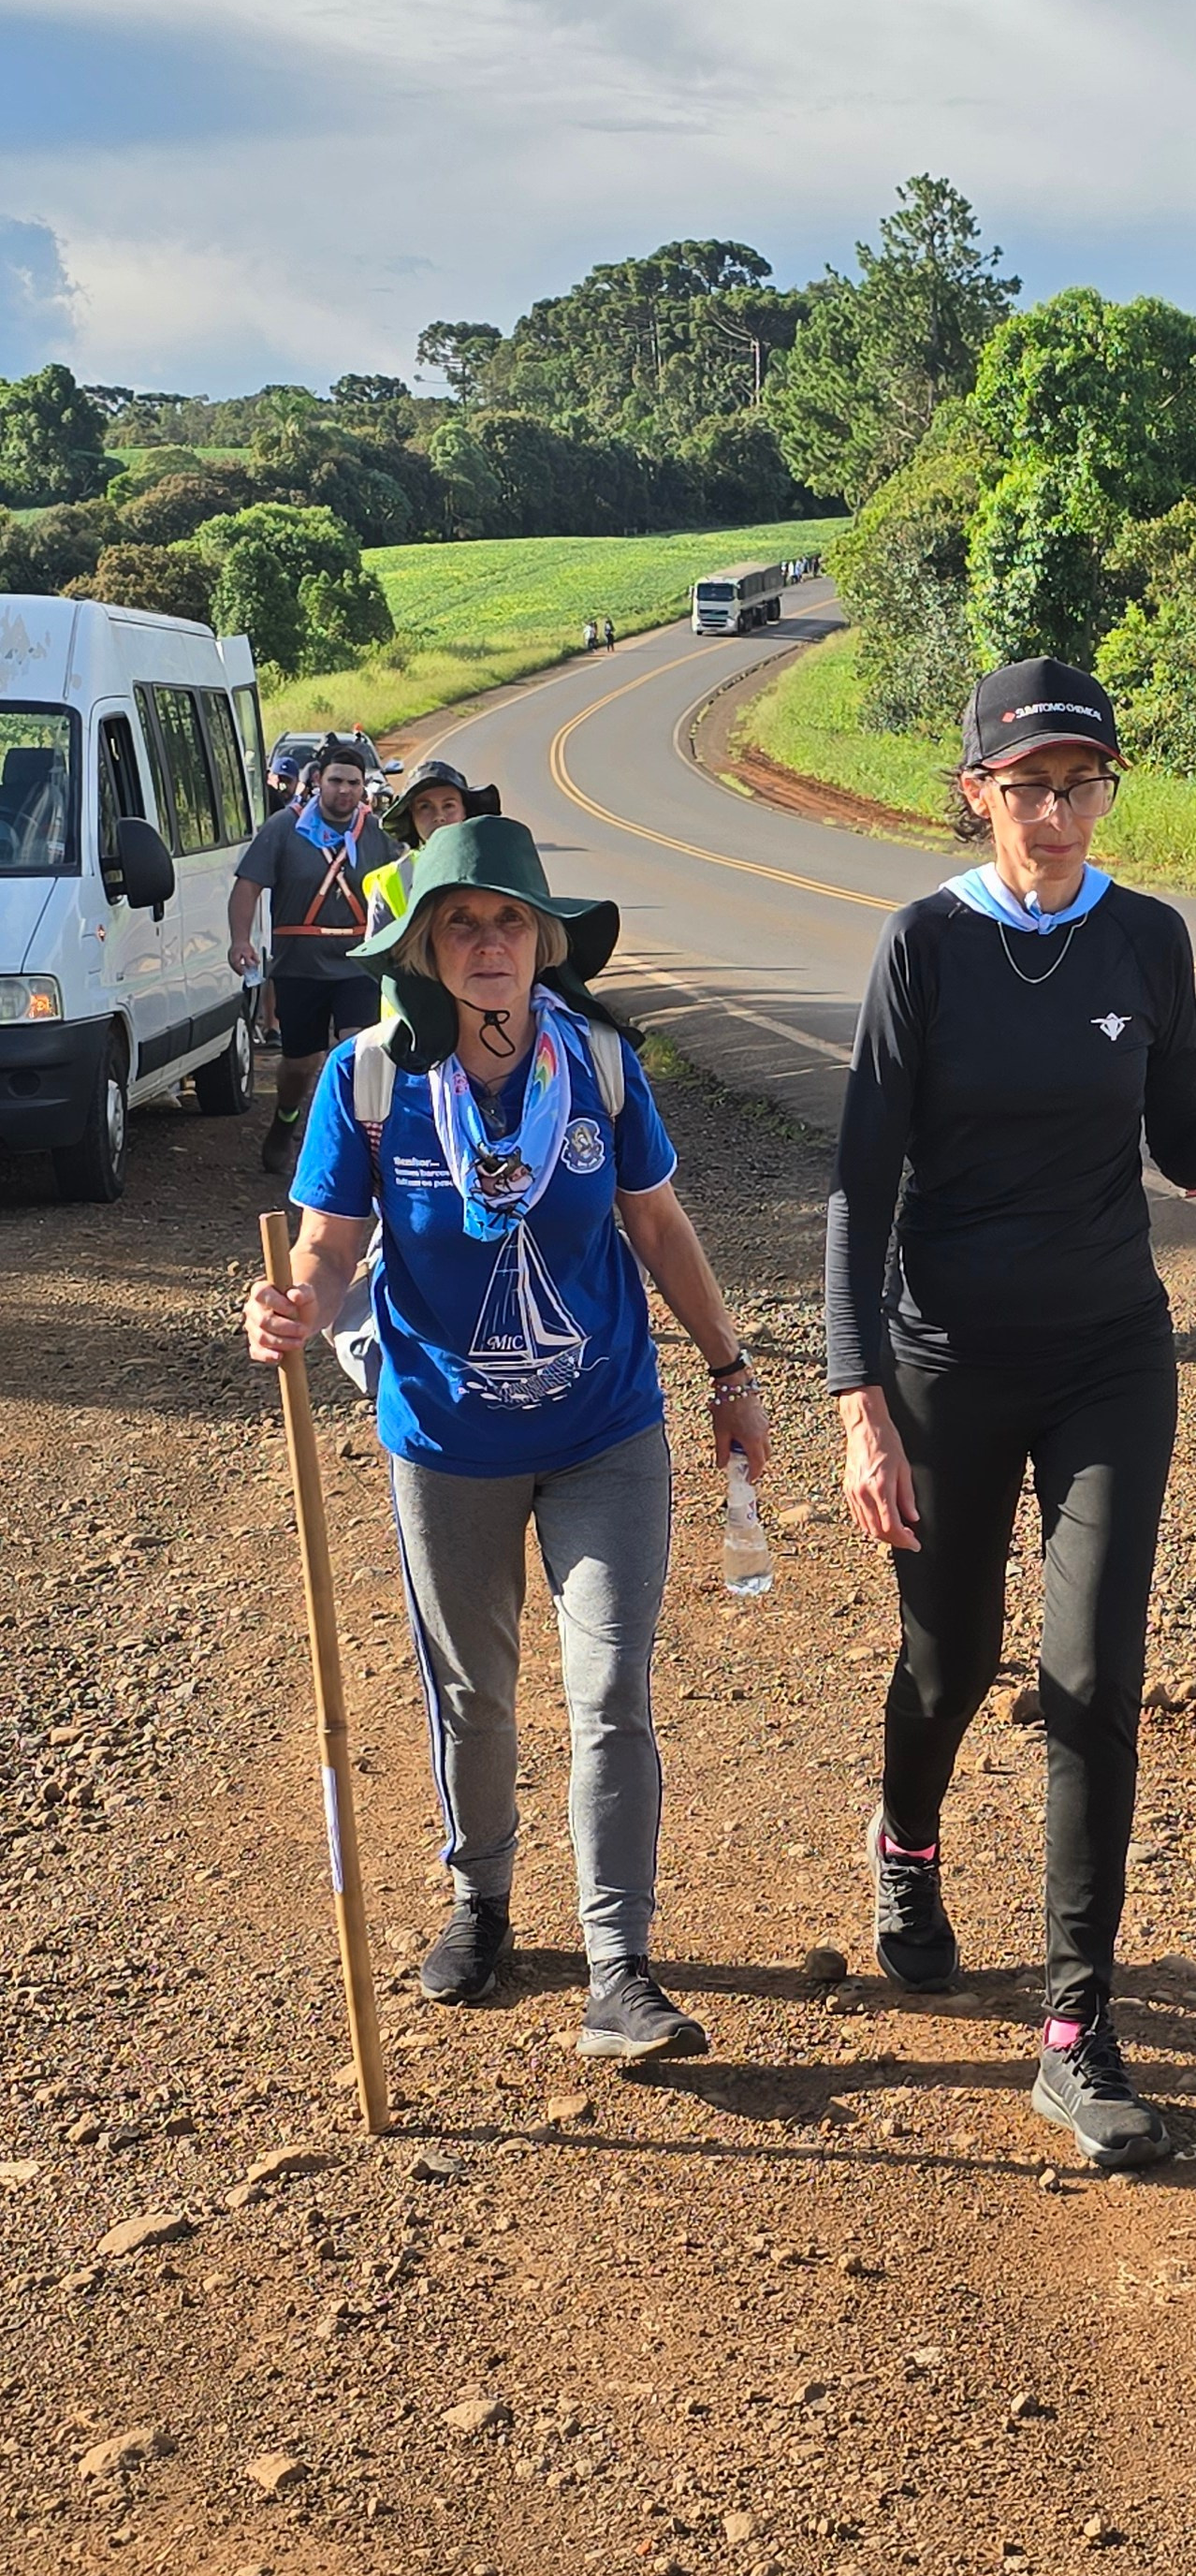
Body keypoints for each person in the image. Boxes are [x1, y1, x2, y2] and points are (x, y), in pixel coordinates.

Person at [826, 656, 1196, 2173]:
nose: (1054, 812)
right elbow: (858, 1186)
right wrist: (858, 1405)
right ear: (975, 790)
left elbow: (1187, 1147)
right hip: (948, 1358)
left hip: (1110, 1351)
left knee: (1094, 1672)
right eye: (1026, 785)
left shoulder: (1147, 943)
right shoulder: (921, 949)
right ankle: (905, 1846)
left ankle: (1074, 2026)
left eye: (1081, 783)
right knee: (951, 1654)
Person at [242, 815, 768, 2062]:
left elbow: (657, 1226)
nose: (488, 943)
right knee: (473, 1695)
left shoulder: (596, 1064)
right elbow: (324, 1247)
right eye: (461, 923)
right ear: (423, 950)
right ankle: (481, 1905)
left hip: (606, 1434)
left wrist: (731, 1369)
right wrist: (295, 1304)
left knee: (610, 1688)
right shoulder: (368, 1081)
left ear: (543, 945)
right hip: (445, 1438)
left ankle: (617, 1968)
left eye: (510, 920)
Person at [230, 736, 397, 1175]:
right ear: (318, 781)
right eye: (337, 781)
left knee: (357, 1049)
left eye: (354, 784)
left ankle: (351, 1146)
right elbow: (247, 886)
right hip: (299, 966)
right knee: (300, 1064)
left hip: (359, 963)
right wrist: (240, 940)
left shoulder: (376, 832)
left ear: (364, 788)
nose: (345, 791)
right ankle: (285, 1122)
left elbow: (408, 881)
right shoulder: (284, 828)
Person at [362, 758, 500, 953]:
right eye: (425, 807)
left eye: (449, 805)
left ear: (465, 813)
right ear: (412, 816)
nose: (439, 816)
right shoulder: (391, 880)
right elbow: (377, 957)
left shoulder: (497, 867)